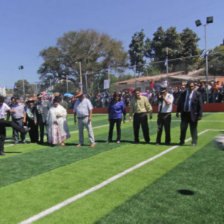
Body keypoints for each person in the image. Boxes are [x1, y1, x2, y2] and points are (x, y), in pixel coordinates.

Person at [176, 81, 203, 146]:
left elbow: (200, 105)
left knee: (193, 129)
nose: (191, 88)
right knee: (183, 129)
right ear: (187, 87)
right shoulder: (183, 94)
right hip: (184, 114)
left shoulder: (197, 94)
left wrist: (200, 115)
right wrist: (177, 111)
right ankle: (182, 141)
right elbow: (179, 103)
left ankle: (194, 142)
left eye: (192, 86)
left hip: (193, 114)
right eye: (190, 86)